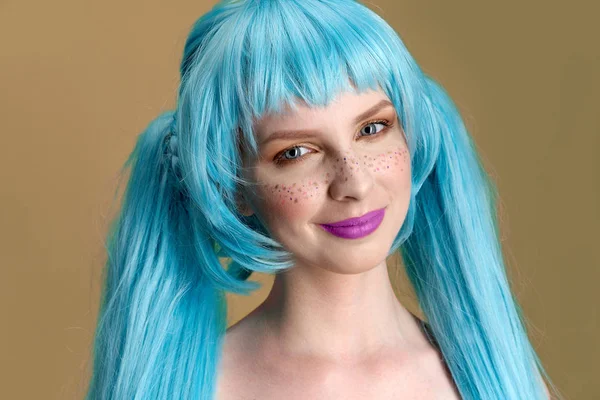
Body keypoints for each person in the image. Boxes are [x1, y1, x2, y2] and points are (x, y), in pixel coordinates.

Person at [84, 0, 561, 399]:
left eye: (373, 129)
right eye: (296, 153)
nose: (353, 182)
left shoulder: (502, 382)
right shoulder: (197, 390)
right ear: (234, 187)